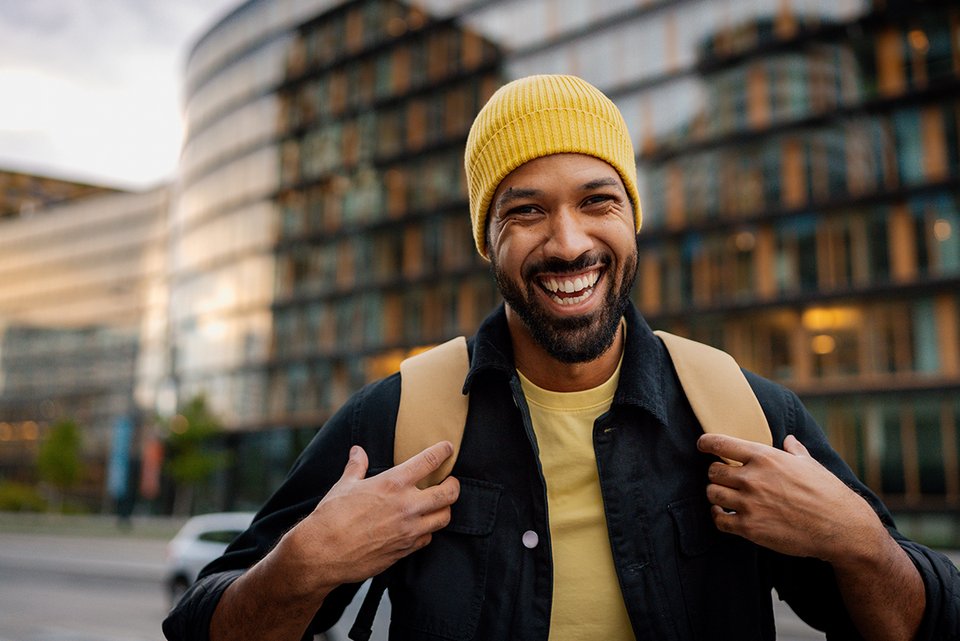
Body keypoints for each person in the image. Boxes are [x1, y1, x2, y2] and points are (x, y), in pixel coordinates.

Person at [163, 74, 959, 641]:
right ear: (490, 239)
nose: (570, 241)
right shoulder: (397, 416)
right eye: (528, 211)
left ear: (633, 218)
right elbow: (201, 622)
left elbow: (923, 620)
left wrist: (858, 540)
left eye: (596, 200)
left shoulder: (746, 412)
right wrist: (300, 567)